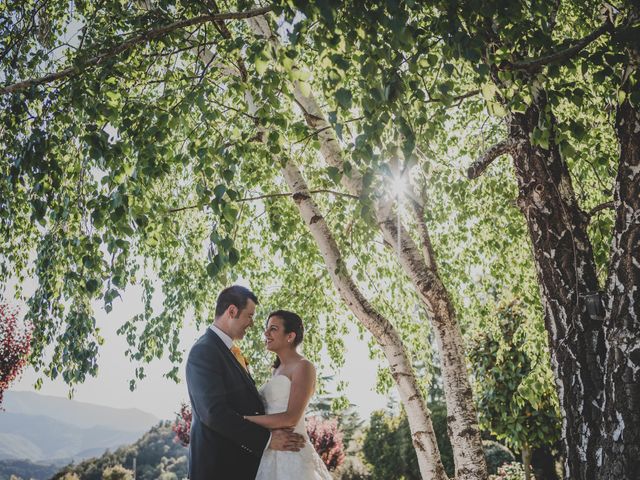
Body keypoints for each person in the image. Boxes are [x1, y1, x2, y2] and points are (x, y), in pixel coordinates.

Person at [185, 286, 306, 480]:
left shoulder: (229, 352)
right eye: (249, 316)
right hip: (217, 468)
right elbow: (214, 413)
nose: (252, 324)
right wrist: (267, 440)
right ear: (232, 311)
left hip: (240, 466)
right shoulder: (204, 351)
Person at [244, 310, 333, 480]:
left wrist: (245, 419)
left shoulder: (303, 366)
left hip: (292, 454)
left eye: (273, 329)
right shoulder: (276, 371)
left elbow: (290, 418)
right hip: (272, 452)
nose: (266, 333)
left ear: (290, 336)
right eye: (266, 328)